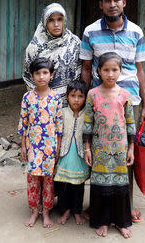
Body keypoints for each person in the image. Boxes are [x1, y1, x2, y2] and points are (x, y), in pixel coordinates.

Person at [80, 0, 145, 222]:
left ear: (124, 3)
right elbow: (86, 68)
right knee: (98, 153)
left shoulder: (136, 32)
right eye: (107, 0)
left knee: (126, 155)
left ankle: (126, 207)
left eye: (116, 0)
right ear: (101, 5)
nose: (112, 4)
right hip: (99, 102)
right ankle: (96, 206)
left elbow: (140, 71)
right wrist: (82, 101)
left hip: (128, 101)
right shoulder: (90, 32)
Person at [83, 52, 136, 239]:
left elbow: (131, 123)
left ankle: (121, 223)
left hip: (120, 149)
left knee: (120, 186)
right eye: (106, 70)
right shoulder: (92, 94)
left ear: (121, 71)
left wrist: (131, 148)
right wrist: (87, 148)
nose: (110, 74)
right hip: (100, 150)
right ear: (98, 71)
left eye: (114, 70)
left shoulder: (125, 95)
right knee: (100, 186)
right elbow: (88, 123)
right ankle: (103, 221)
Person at [18, 57, 63, 228]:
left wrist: (57, 147)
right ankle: (34, 211)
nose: (42, 76)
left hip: (50, 146)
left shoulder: (56, 98)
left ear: (51, 75)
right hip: (33, 146)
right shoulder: (27, 97)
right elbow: (23, 123)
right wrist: (23, 146)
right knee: (33, 179)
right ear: (32, 75)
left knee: (48, 180)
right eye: (38, 73)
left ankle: (46, 212)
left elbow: (59, 124)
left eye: (45, 73)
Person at [23, 3, 82, 98]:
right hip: (44, 104)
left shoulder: (75, 43)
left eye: (60, 19)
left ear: (65, 21)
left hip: (70, 103)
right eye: (51, 20)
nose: (56, 24)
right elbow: (28, 78)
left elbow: (80, 72)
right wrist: (40, 101)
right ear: (44, 22)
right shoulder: (34, 48)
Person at [54, 80, 89, 226]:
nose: (76, 99)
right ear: (67, 96)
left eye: (80, 96)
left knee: (78, 185)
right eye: (73, 95)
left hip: (79, 154)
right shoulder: (62, 112)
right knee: (63, 184)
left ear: (85, 98)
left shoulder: (87, 114)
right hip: (64, 153)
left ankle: (76, 211)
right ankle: (65, 210)